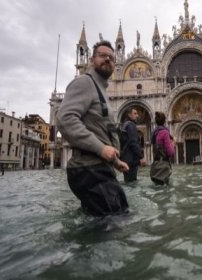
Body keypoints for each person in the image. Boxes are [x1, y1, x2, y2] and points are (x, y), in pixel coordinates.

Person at [56, 40, 130, 216]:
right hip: (90, 169)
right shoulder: (85, 82)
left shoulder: (101, 90)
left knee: (106, 223)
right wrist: (101, 148)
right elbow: (64, 119)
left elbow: (102, 131)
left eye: (111, 57)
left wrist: (116, 162)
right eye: (102, 55)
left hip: (98, 168)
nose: (108, 59)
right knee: (115, 224)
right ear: (91, 59)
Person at [120, 107, 146, 182]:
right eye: (135, 113)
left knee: (128, 182)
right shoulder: (131, 125)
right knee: (132, 183)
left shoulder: (125, 125)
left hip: (126, 159)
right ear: (129, 115)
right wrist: (141, 157)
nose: (137, 115)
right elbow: (133, 142)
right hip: (131, 161)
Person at [150, 111, 176, 185]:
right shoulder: (164, 132)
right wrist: (174, 143)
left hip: (155, 166)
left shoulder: (154, 133)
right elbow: (170, 152)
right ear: (165, 121)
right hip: (163, 168)